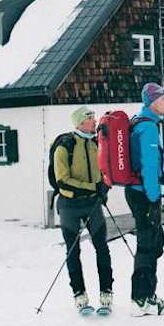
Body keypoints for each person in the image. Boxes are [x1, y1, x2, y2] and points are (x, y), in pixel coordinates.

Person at [54, 106, 113, 313]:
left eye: (94, 117)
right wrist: (93, 187)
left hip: (93, 204)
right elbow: (63, 181)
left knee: (102, 248)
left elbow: (104, 170)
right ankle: (79, 295)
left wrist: (104, 186)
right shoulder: (65, 146)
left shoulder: (97, 143)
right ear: (80, 122)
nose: (94, 121)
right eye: (90, 118)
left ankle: (106, 292)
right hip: (70, 205)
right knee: (73, 251)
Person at [126, 82, 164, 316]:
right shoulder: (148, 128)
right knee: (147, 246)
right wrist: (154, 202)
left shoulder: (140, 122)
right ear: (151, 102)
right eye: (163, 98)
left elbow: (149, 164)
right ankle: (140, 299)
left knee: (153, 243)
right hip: (144, 195)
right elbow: (147, 167)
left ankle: (147, 294)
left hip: (139, 191)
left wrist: (163, 178)